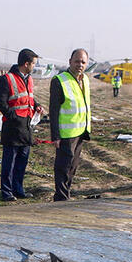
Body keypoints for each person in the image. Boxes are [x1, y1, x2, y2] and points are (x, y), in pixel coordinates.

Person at [0, 48, 44, 201]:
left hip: (27, 126)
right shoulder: (7, 79)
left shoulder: (29, 79)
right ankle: (7, 192)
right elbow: (0, 102)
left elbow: (28, 98)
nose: (34, 66)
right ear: (26, 63)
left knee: (22, 161)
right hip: (13, 127)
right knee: (9, 162)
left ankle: (18, 189)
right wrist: (13, 116)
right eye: (33, 63)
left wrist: (37, 105)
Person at [49, 49, 92, 201]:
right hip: (66, 134)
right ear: (70, 62)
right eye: (77, 61)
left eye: (83, 62)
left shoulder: (85, 80)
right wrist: (55, 136)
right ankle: (60, 198)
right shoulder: (59, 81)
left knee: (73, 168)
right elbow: (53, 111)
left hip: (80, 131)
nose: (80, 65)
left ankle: (66, 194)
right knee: (63, 167)